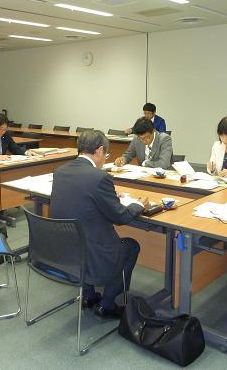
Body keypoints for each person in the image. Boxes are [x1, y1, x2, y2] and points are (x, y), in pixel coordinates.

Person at [49, 130, 149, 318]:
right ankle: (107, 304)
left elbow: (80, 197)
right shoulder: (99, 177)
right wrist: (138, 205)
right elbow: (119, 217)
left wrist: (108, 196)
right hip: (93, 253)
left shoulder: (60, 172)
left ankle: (89, 296)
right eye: (106, 155)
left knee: (84, 235)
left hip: (66, 250)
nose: (104, 159)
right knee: (131, 246)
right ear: (99, 150)